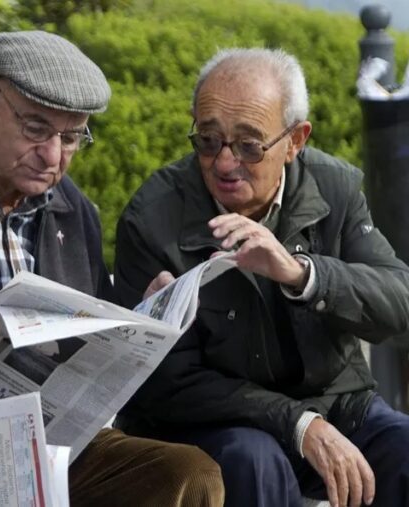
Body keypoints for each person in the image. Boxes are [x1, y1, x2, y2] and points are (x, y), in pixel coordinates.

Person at [0, 30, 224, 506]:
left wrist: (143, 317)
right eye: (36, 129)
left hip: (50, 440)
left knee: (188, 474)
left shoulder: (73, 209)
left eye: (71, 137)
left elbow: (81, 336)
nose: (53, 156)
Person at [114, 47, 409, 507]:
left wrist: (302, 274)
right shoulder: (152, 218)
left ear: (295, 141)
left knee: (403, 448)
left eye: (249, 145)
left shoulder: (335, 188)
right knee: (255, 460)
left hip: (334, 404)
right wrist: (298, 423)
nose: (225, 163)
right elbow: (166, 384)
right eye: (208, 140)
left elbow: (399, 303)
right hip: (218, 425)